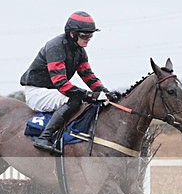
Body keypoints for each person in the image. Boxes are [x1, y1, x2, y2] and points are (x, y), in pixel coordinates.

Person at [20, 11, 119, 152]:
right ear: (72, 33)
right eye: (85, 35)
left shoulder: (80, 51)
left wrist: (105, 92)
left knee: (88, 100)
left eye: (90, 35)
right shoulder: (56, 47)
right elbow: (61, 83)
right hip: (37, 92)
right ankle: (44, 137)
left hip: (53, 91)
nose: (88, 39)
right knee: (75, 100)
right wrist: (90, 95)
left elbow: (88, 76)